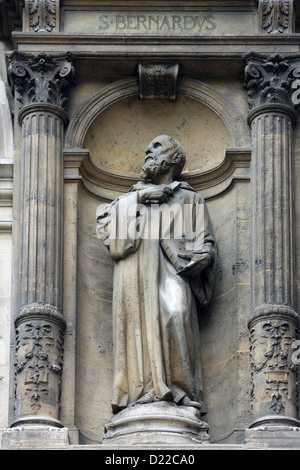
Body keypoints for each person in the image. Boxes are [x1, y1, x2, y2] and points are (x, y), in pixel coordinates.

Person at [96, 135, 216, 414]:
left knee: (177, 314)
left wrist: (202, 258)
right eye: (148, 147)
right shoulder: (129, 198)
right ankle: (142, 392)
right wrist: (138, 198)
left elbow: (205, 241)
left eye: (158, 146)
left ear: (174, 159)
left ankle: (180, 390)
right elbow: (108, 234)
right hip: (134, 275)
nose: (148, 150)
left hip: (173, 272)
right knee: (137, 326)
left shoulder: (189, 198)